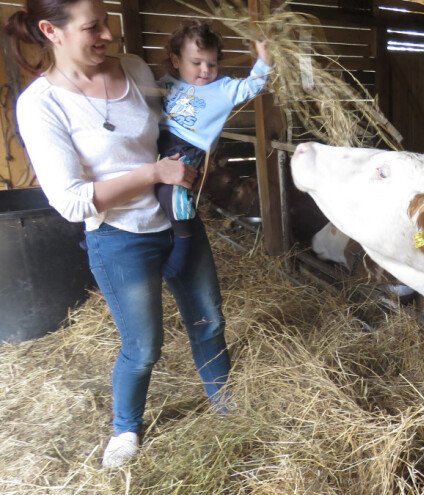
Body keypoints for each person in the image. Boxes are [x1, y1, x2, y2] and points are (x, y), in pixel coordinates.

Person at [4, 0, 231, 469]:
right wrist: (154, 173)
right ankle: (126, 427)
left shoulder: (134, 69)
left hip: (178, 220)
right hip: (121, 237)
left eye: (107, 22)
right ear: (52, 30)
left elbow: (172, 133)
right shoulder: (42, 103)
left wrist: (197, 153)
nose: (108, 35)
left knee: (208, 319)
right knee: (143, 347)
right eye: (94, 27)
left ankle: (228, 406)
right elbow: (70, 201)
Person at [156, 20, 272, 278]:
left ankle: (183, 242)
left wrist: (264, 60)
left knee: (170, 194)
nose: (205, 70)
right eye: (196, 63)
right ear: (176, 61)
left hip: (188, 148)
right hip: (159, 141)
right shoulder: (166, 83)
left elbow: (253, 86)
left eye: (212, 63)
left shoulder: (224, 88)